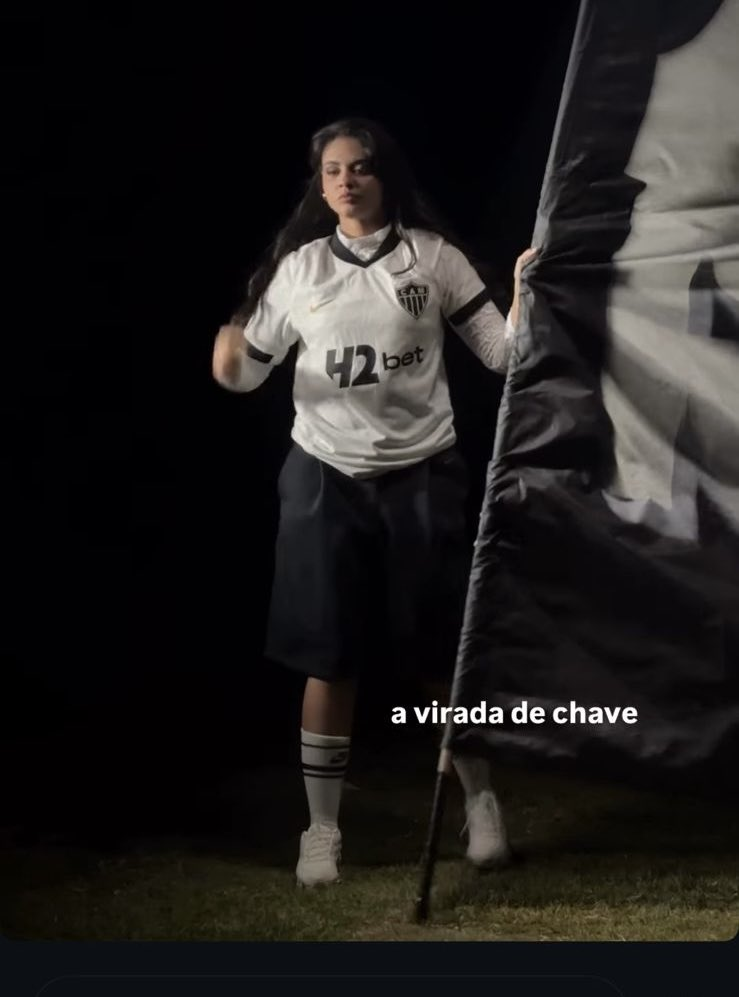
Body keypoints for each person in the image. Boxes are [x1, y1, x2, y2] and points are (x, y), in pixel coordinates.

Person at [212, 117, 537, 887]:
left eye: (358, 167)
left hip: (421, 473)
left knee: (439, 652)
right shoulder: (299, 270)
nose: (345, 181)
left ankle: (480, 801)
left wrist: (524, 292)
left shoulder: (432, 258)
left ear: (383, 175)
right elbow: (248, 373)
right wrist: (228, 357)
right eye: (331, 170)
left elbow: (504, 356)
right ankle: (321, 829)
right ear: (319, 185)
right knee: (329, 656)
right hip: (324, 476)